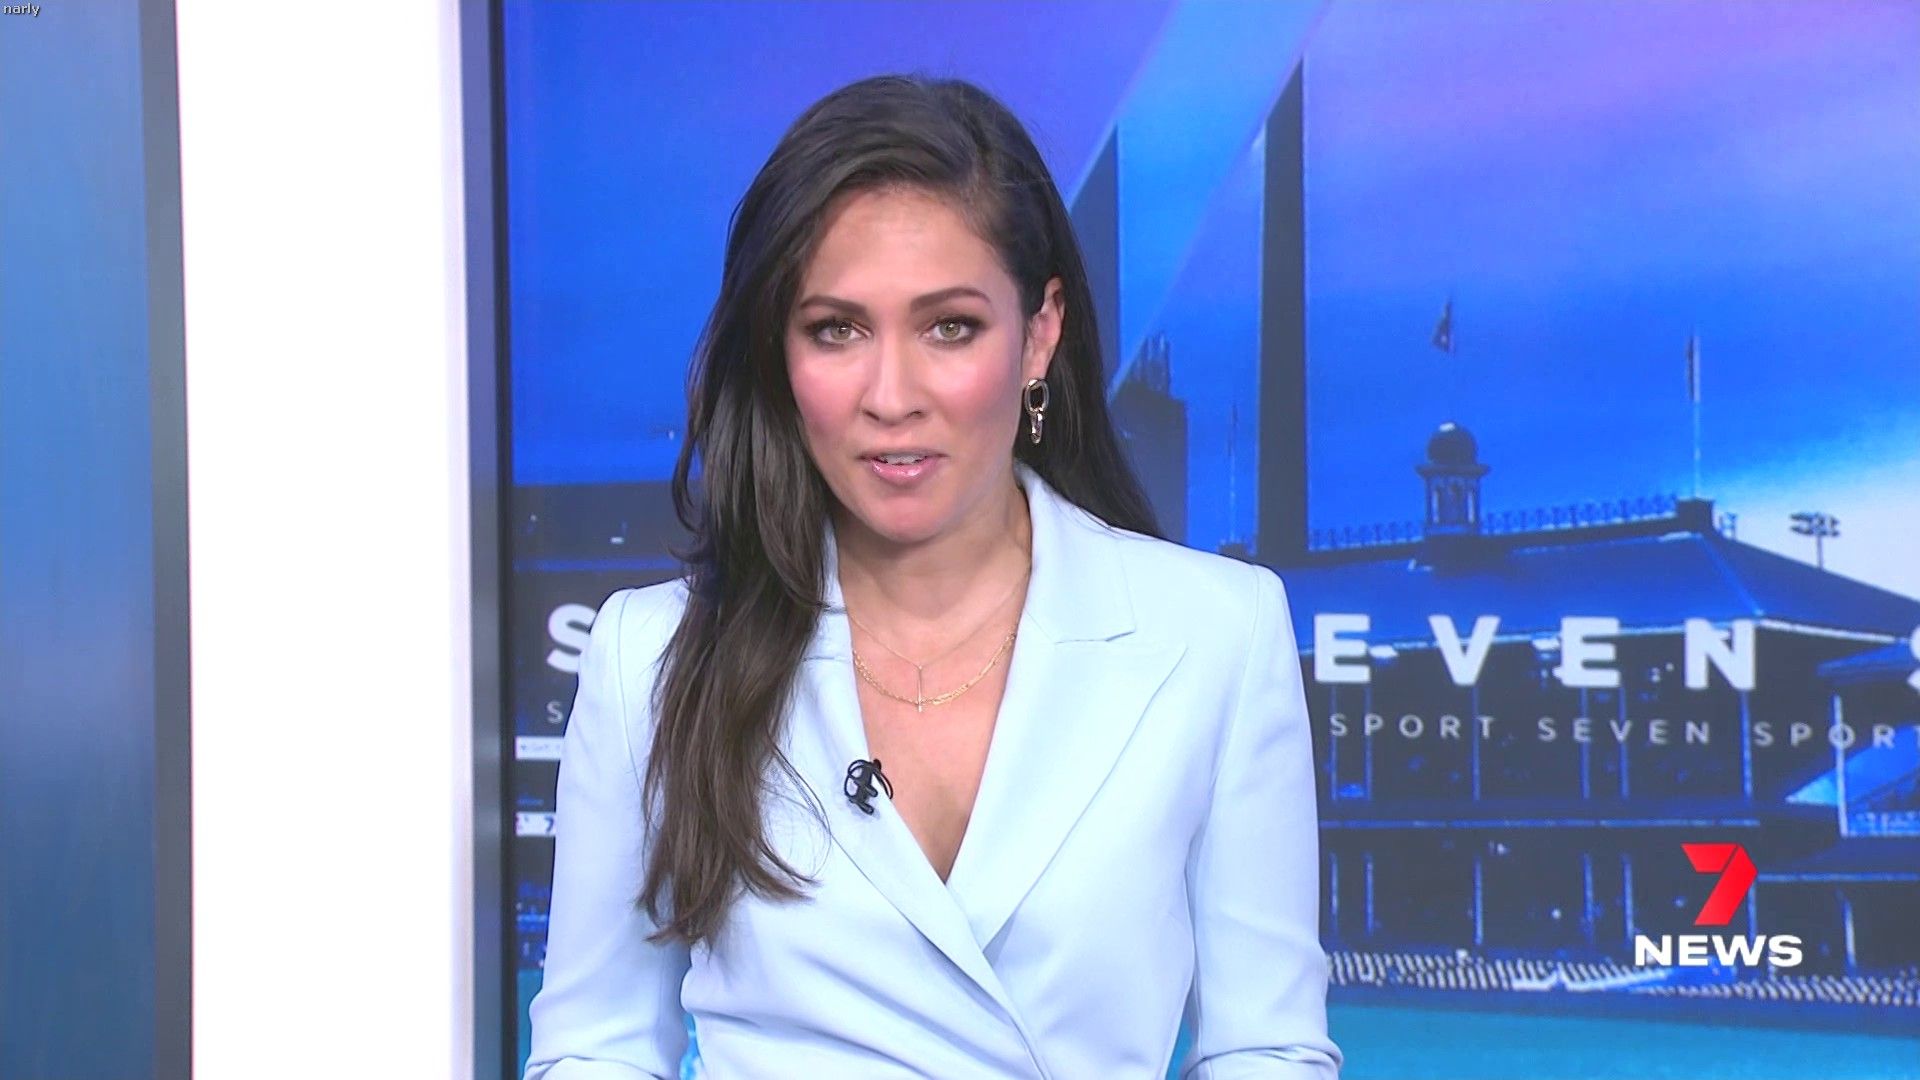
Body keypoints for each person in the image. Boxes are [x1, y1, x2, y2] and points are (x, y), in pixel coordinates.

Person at [523, 73, 1340, 1080]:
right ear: (779, 353)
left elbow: (1265, 1046)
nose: (892, 395)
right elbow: (595, 1051)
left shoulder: (1216, 632)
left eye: (949, 326)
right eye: (836, 329)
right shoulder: (649, 655)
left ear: (1040, 332)